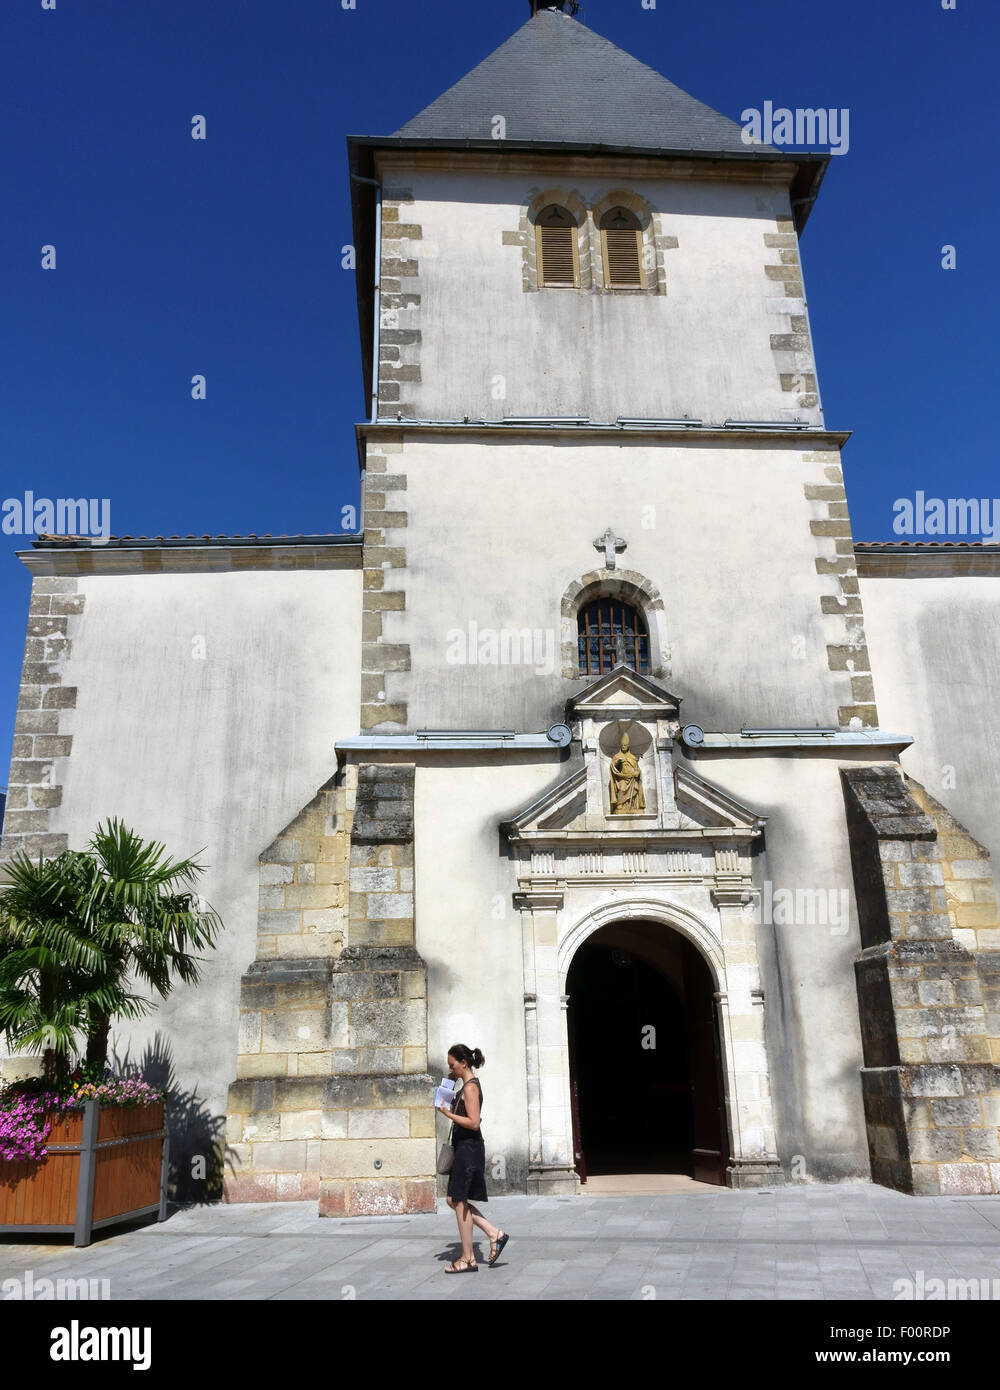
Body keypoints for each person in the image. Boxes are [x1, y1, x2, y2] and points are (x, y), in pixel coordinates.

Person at [436, 1043, 510, 1272]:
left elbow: (474, 1122)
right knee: (453, 1200)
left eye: (452, 1065)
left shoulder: (470, 1088)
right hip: (463, 1149)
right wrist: (449, 1085)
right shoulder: (463, 1087)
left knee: (457, 1201)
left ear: (463, 1063)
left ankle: (467, 1258)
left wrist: (447, 1114)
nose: (450, 1069)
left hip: (469, 1149)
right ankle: (493, 1233)